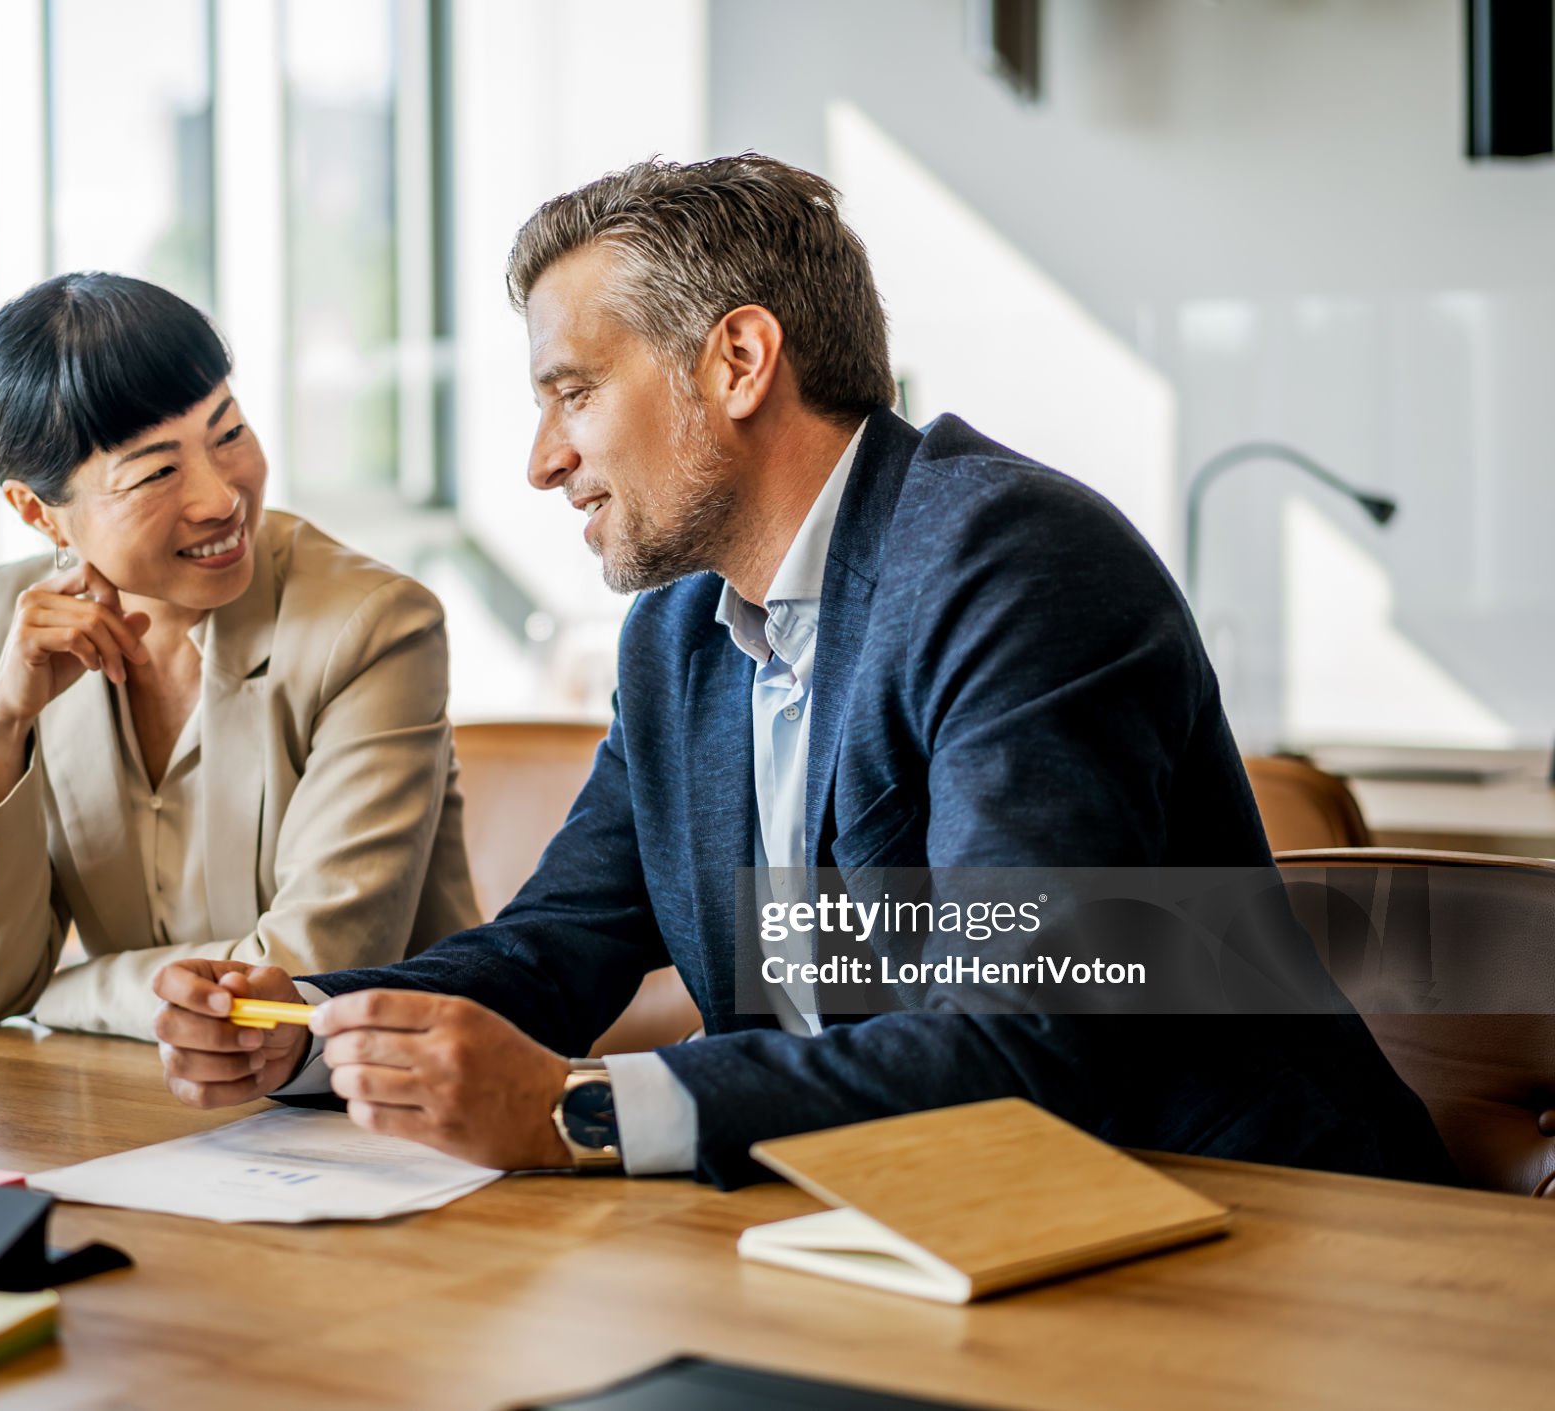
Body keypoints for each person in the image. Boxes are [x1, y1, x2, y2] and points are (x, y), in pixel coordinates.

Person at [146, 156, 1454, 1188]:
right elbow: (558, 951)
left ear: (738, 361)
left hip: (1239, 1227)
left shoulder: (1014, 565)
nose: (543, 458)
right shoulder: (680, 636)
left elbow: (1026, 1033)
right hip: (892, 1217)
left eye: (573, 392)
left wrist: (578, 1110)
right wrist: (301, 1023)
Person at [0, 273, 479, 1040]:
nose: (221, 497)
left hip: (361, 1111)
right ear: (38, 511)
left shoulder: (372, 626)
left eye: (229, 433)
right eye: (156, 471)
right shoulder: (3, 625)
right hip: (133, 1107)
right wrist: (2, 727)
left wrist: (65, 993)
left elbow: (303, 978)